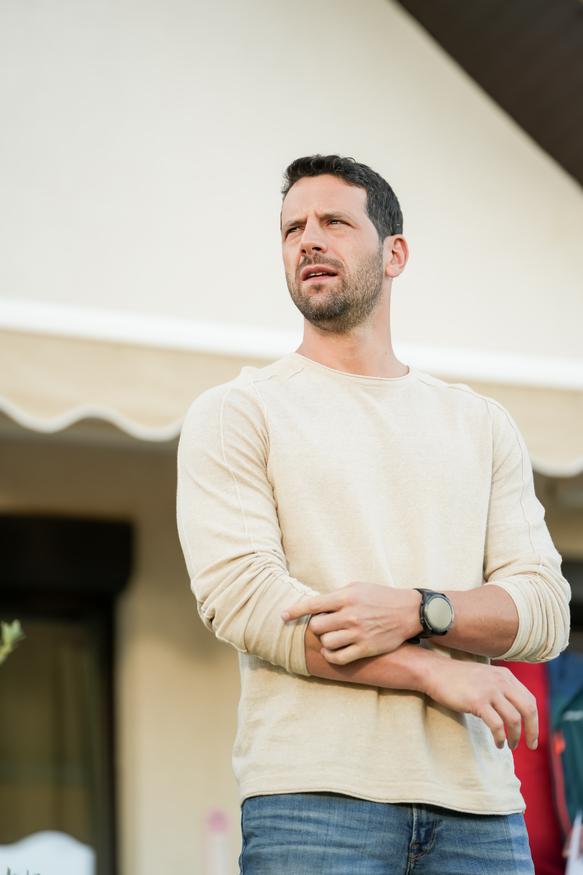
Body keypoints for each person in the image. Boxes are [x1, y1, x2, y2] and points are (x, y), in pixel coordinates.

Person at [176, 154, 571, 874]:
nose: (308, 239)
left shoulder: (480, 424)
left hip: (481, 808)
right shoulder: (238, 412)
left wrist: (420, 609)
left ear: (395, 254)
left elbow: (543, 610)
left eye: (334, 221)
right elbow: (249, 604)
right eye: (292, 228)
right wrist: (433, 671)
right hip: (312, 803)